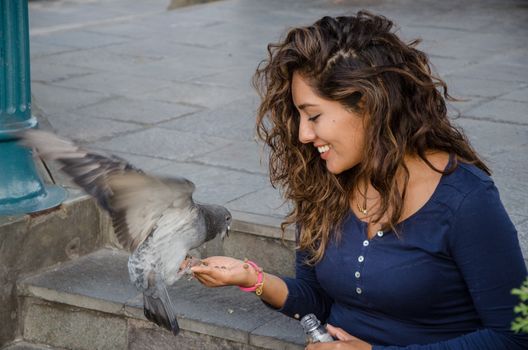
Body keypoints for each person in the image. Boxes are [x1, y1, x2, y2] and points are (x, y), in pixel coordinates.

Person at [190, 11, 528, 349]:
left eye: (314, 115)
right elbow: (317, 301)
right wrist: (252, 278)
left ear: (367, 104)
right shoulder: (325, 184)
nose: (303, 134)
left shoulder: (466, 199)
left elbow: (515, 335)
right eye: (298, 116)